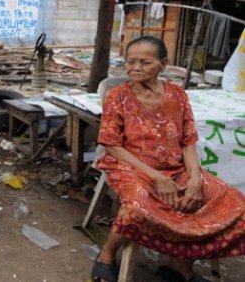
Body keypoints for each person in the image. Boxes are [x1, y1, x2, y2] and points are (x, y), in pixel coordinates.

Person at [91, 36, 245, 282]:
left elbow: (188, 141)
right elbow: (111, 146)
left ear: (163, 65)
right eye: (130, 62)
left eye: (145, 62)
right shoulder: (117, 96)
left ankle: (178, 265)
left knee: (230, 201)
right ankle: (107, 254)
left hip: (176, 168)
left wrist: (195, 180)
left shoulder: (177, 95)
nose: (136, 67)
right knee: (137, 207)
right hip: (130, 166)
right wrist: (157, 177)